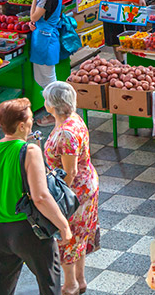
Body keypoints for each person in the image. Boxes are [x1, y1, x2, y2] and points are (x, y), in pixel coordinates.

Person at [0, 98, 72, 295]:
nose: (31, 123)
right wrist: (63, 226)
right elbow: (40, 197)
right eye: (29, 119)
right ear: (21, 125)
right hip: (28, 230)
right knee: (49, 284)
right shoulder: (29, 150)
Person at [42, 82, 99, 295]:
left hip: (74, 192)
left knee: (68, 236)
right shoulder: (74, 119)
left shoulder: (66, 132)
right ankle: (80, 280)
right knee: (80, 234)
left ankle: (70, 285)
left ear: (52, 104)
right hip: (86, 186)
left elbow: (70, 171)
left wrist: (57, 198)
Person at [27, 0, 65, 127]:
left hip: (45, 40)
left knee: (50, 80)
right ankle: (55, 111)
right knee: (43, 79)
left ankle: (57, 115)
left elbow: (34, 16)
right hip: (44, 38)